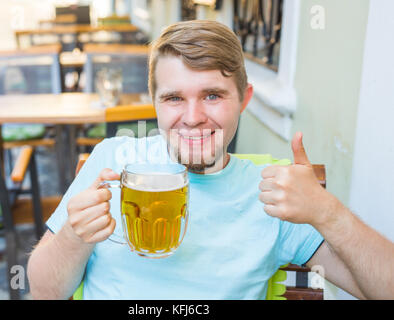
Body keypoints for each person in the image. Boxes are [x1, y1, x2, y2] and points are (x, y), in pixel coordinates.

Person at [27, 20, 394, 300]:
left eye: (213, 95)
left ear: (244, 99)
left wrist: (327, 213)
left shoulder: (273, 190)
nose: (192, 117)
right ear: (154, 102)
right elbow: (44, 291)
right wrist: (73, 237)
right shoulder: (112, 159)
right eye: (174, 99)